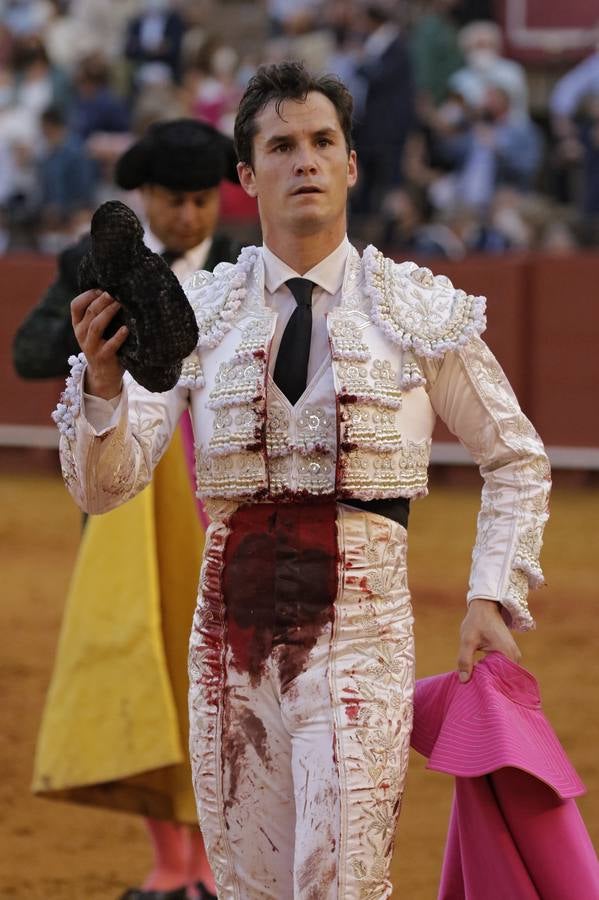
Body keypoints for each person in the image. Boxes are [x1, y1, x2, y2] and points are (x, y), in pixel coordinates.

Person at [53, 62, 550, 899]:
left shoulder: (411, 309)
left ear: (350, 164)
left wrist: (490, 596)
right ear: (247, 177)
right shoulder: (200, 314)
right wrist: (103, 389)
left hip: (360, 638)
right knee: (248, 887)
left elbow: (515, 457)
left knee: (340, 883)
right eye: (281, 146)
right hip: (226, 643)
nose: (305, 160)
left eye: (322, 142)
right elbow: (105, 488)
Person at [17, 118, 242, 900]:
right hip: (123, 496)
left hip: (219, 495)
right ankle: (170, 864)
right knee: (141, 665)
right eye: (173, 200)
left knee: (215, 673)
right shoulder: (93, 265)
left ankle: (211, 863)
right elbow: (29, 352)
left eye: (201, 199)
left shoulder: (244, 268)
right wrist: (104, 328)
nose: (189, 215)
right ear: (145, 197)